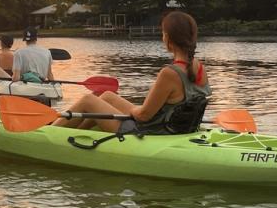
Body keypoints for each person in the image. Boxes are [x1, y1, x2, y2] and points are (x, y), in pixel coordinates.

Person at [53, 11, 210, 132]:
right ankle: (74, 135)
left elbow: (143, 116)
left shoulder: (170, 73)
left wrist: (132, 110)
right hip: (169, 127)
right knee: (107, 96)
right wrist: (130, 109)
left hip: (148, 132)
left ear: (167, 38)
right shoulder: (200, 67)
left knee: (88, 100)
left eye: (163, 33)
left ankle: (49, 133)